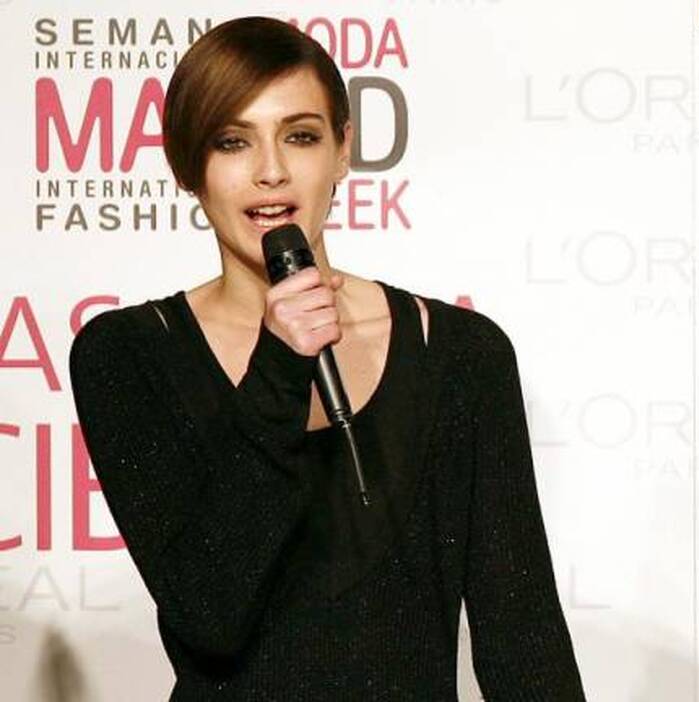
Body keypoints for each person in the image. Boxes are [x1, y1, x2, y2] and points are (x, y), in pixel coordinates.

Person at [67, 16, 585, 700]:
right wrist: (279, 366)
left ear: (343, 150)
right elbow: (209, 615)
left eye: (301, 136)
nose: (271, 171)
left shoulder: (462, 355)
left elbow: (523, 640)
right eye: (233, 141)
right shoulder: (128, 355)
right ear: (188, 167)